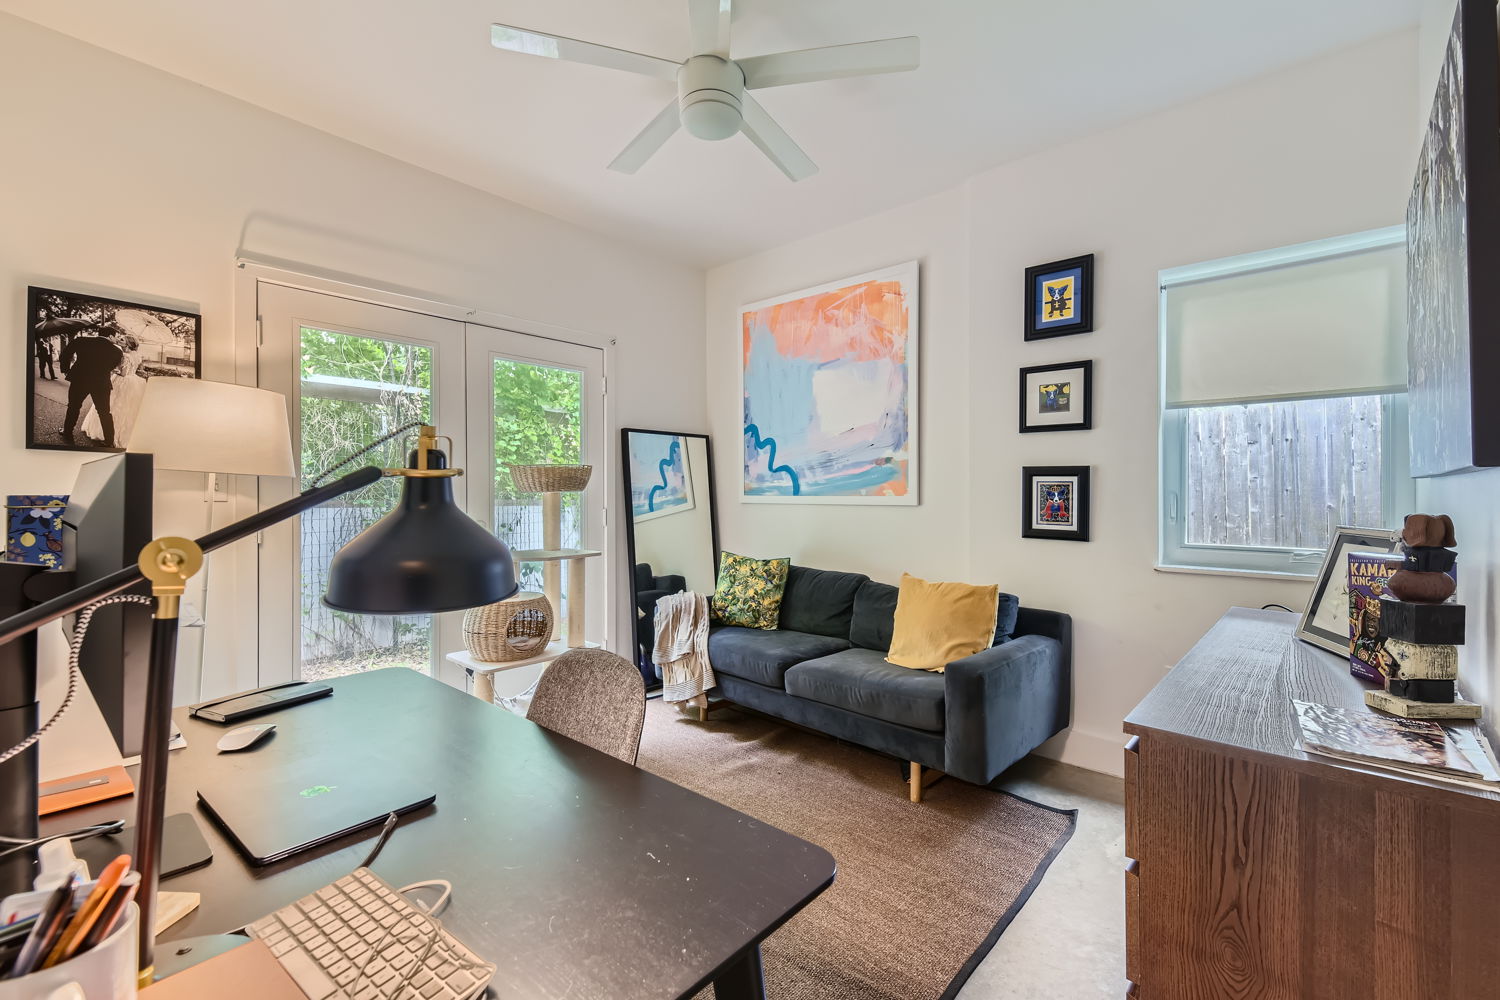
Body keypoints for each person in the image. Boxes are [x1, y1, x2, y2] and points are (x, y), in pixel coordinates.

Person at [60, 324, 124, 448]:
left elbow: (65, 354)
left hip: (79, 379)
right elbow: (112, 367)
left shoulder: (81, 340)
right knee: (104, 412)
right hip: (101, 383)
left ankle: (67, 432)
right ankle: (109, 441)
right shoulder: (116, 351)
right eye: (116, 337)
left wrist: (66, 370)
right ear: (110, 336)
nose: (116, 340)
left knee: (73, 406)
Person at [80, 334, 146, 448]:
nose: (119, 340)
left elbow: (123, 373)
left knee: (112, 406)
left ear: (128, 344)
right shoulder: (137, 356)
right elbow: (136, 369)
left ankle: (108, 434)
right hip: (133, 380)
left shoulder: (125, 356)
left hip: (123, 381)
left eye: (122, 340)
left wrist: (114, 371)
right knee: (127, 408)